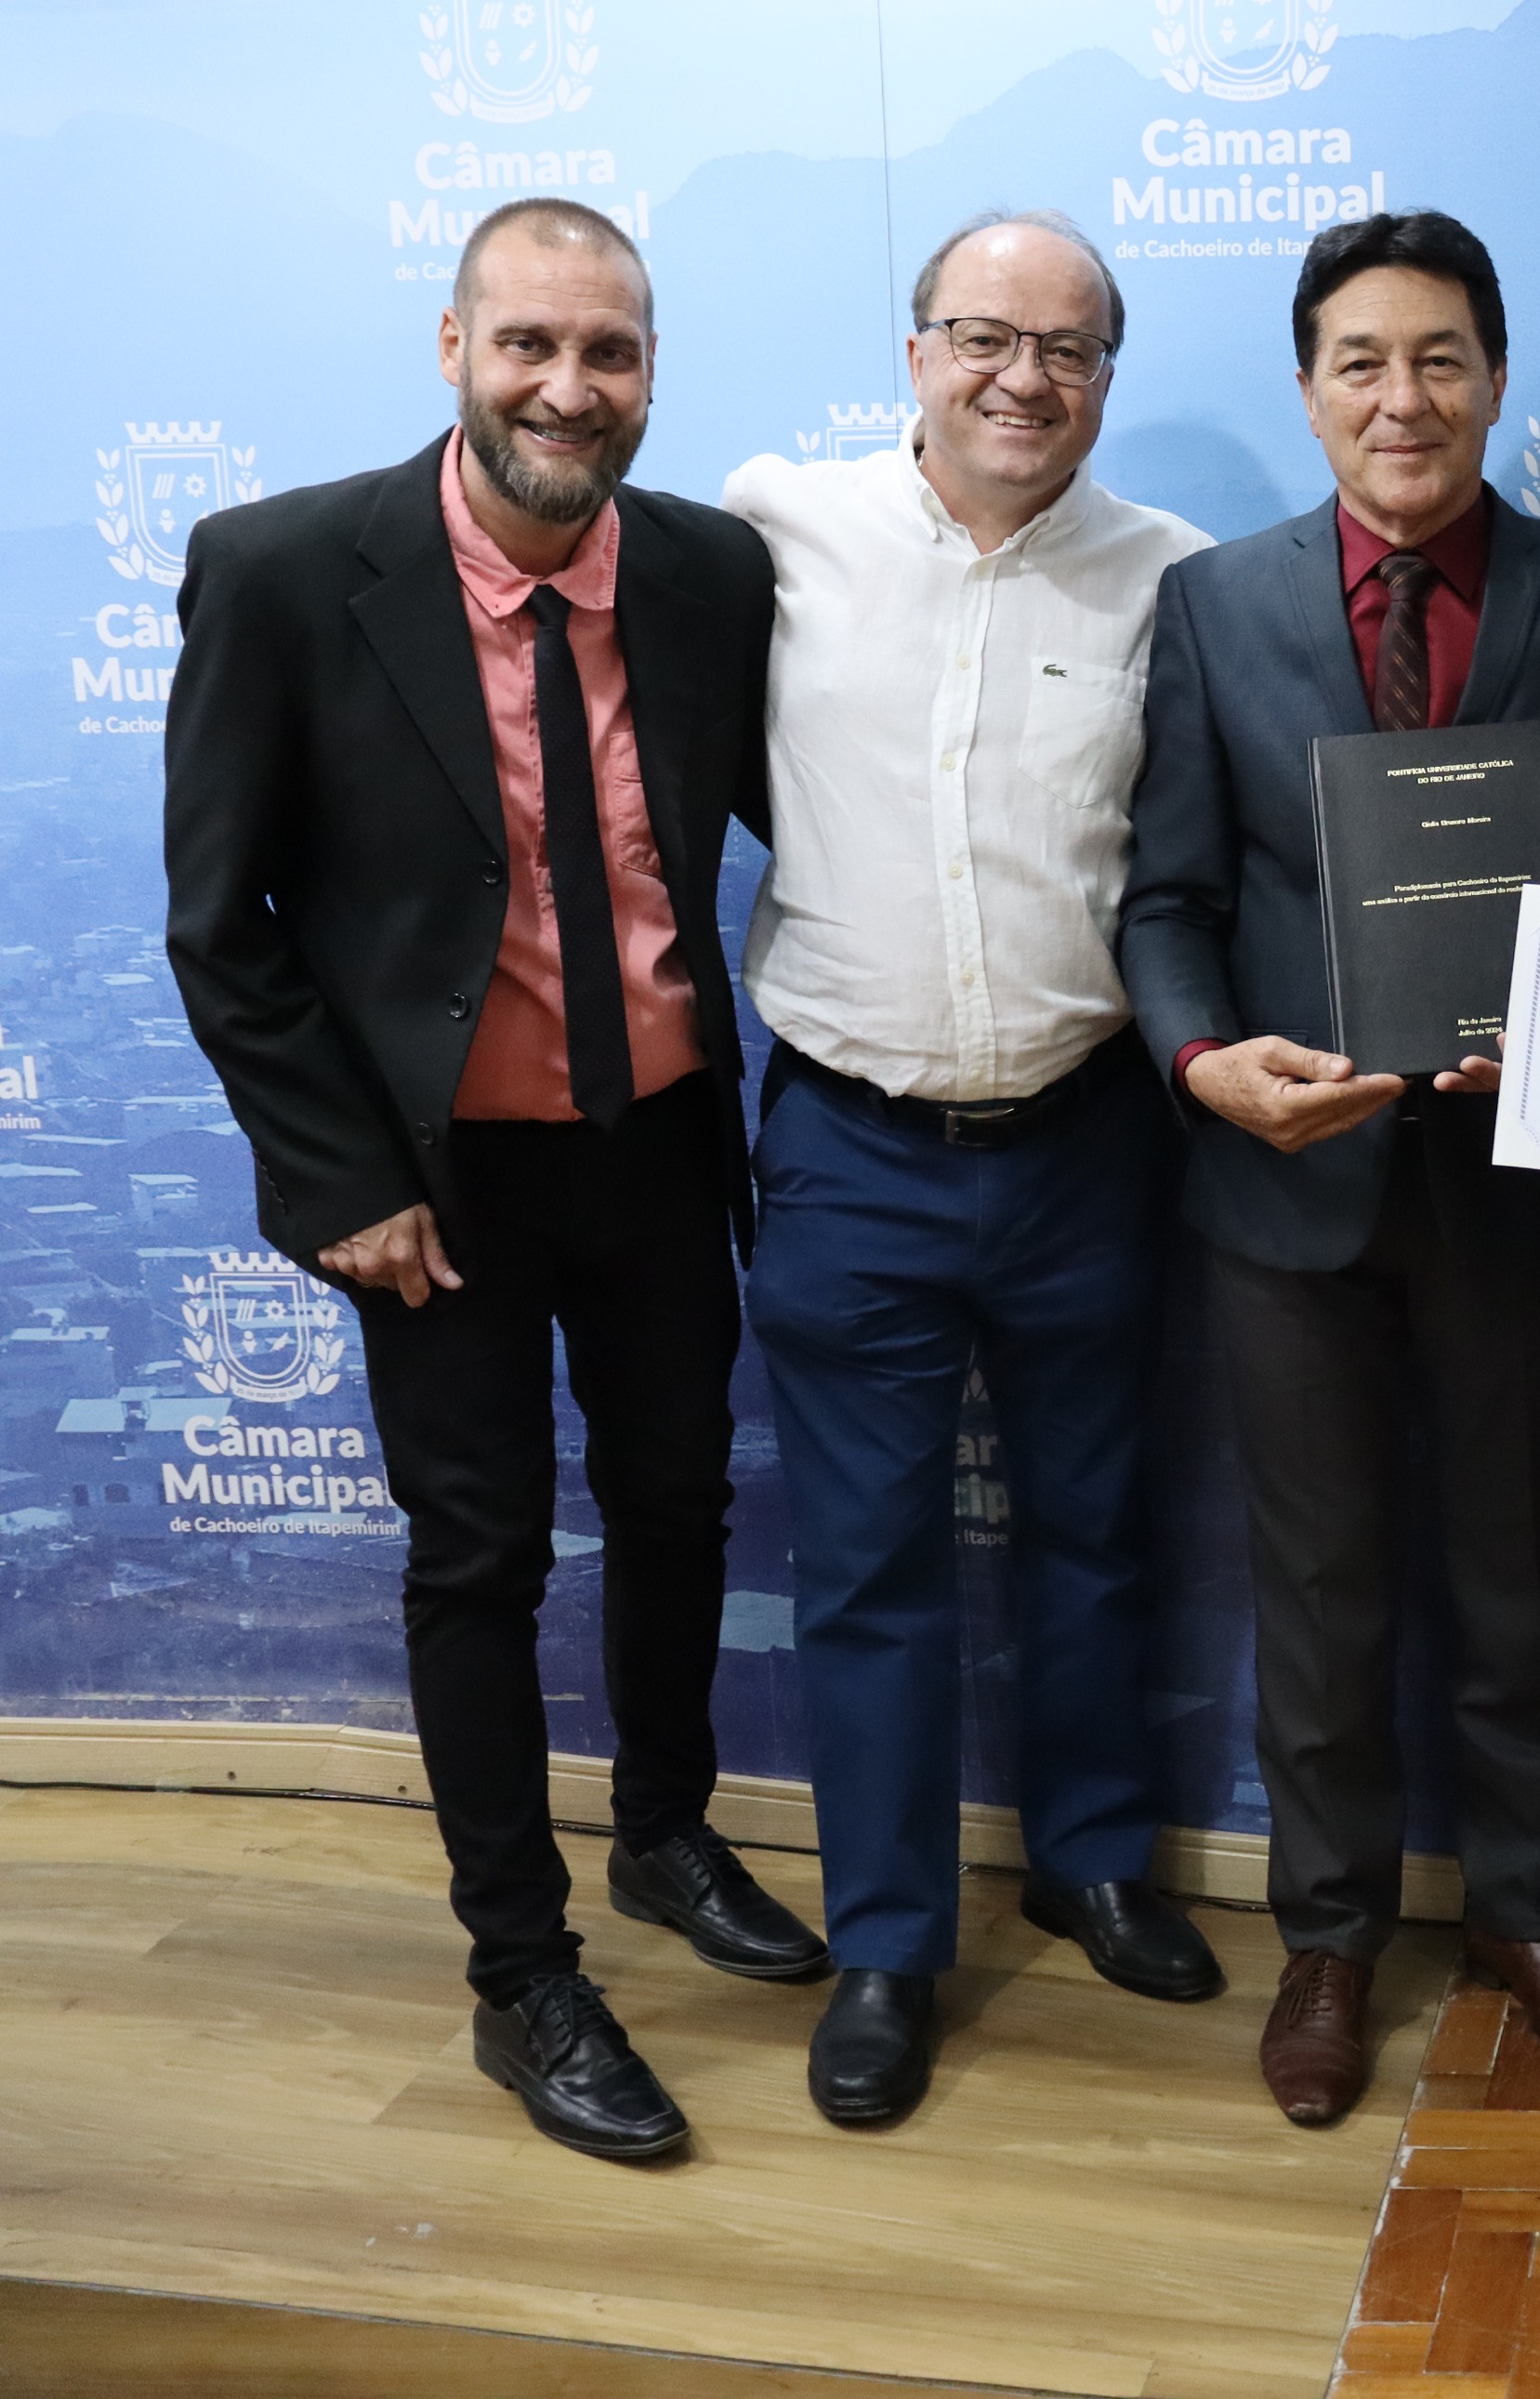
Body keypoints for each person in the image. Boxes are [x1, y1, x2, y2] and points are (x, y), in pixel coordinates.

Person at [163, 197, 823, 2162]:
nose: (568, 386)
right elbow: (220, 925)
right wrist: (337, 1178)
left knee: (681, 1503)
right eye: (530, 342)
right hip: (432, 1188)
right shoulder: (284, 570)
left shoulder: (710, 571)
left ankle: (666, 1832)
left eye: (608, 352)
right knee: (480, 1558)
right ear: (453, 346)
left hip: (659, 1138)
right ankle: (521, 1974)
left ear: (650, 373)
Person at [1118, 211, 1540, 2128]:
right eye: (1361, 361)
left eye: (1440, 357)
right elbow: (1168, 897)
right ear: (1308, 391)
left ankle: (1523, 1909)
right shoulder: (1216, 607)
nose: (1402, 396)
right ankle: (1332, 1939)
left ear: (1496, 379)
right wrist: (1206, 1063)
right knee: (1321, 1589)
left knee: (1519, 1574)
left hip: (1519, 1179)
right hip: (1288, 1190)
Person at [724, 209, 1218, 2129]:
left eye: (1069, 349)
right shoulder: (774, 528)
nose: (1025, 378)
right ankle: (888, 1942)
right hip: (849, 1143)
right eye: (985, 337)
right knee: (868, 1570)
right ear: (917, 349)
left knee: (1095, 1530)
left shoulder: (1172, 578)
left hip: (1090, 1134)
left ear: (1107, 375)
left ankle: (1091, 1857)